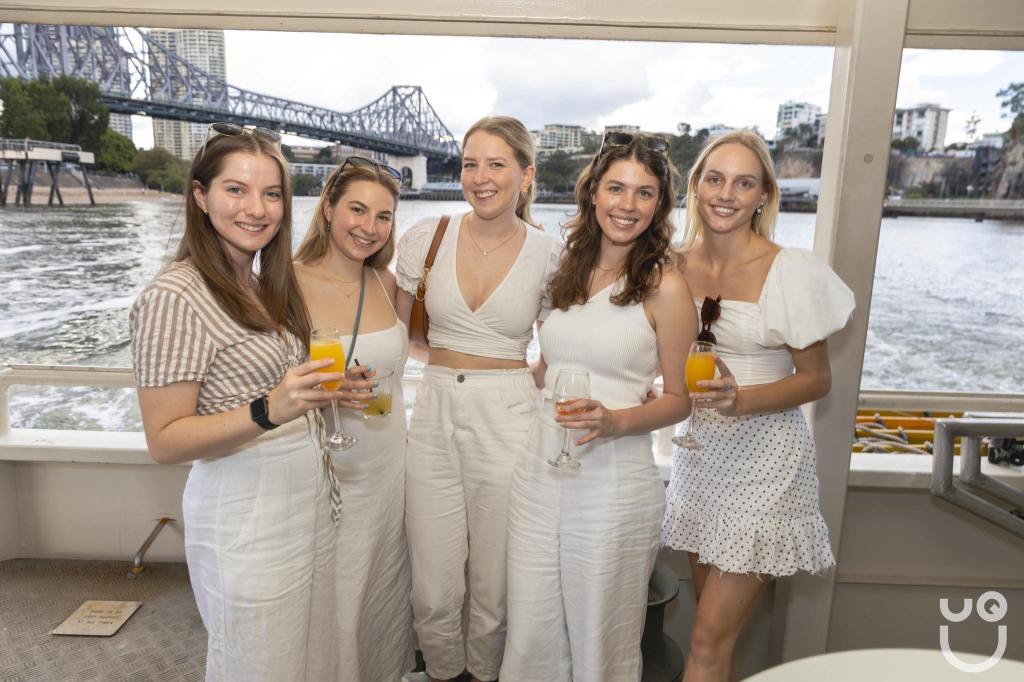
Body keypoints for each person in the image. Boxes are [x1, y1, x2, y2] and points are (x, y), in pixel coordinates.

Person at [129, 124, 364, 680]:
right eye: (236, 190)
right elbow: (165, 441)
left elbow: (261, 387)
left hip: (301, 505)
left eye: (271, 193)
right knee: (258, 664)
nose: (256, 209)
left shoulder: (258, 284)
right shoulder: (174, 296)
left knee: (304, 660)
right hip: (246, 518)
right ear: (200, 195)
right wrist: (269, 409)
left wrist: (319, 392)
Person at [499, 131, 696, 682]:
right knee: (531, 635)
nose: (627, 204)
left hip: (612, 484)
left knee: (598, 644)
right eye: (616, 188)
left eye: (644, 193)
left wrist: (616, 420)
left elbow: (679, 400)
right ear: (593, 192)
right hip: (540, 474)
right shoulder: (566, 270)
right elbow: (548, 368)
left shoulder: (665, 286)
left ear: (659, 205)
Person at [661, 130, 855, 682]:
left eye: (744, 183)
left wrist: (739, 399)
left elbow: (817, 380)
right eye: (715, 179)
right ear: (696, 187)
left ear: (763, 195)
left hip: (767, 463)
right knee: (714, 643)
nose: (727, 194)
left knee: (706, 640)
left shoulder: (788, 269)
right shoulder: (670, 265)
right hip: (699, 460)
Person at [394, 116, 561, 682]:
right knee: (432, 589)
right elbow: (400, 336)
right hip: (434, 412)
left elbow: (559, 350)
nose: (480, 177)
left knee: (494, 587)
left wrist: (510, 386)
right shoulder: (426, 237)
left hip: (509, 420)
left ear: (526, 176)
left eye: (496, 164)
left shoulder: (550, 255)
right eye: (470, 164)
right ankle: (444, 673)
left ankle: (486, 674)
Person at [294, 156, 415, 681]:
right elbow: (264, 381)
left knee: (380, 591)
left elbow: (412, 355)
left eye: (383, 216)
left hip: (388, 464)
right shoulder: (284, 282)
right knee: (331, 594)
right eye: (357, 210)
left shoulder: (387, 282)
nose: (370, 227)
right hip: (326, 466)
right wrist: (325, 392)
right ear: (328, 207)